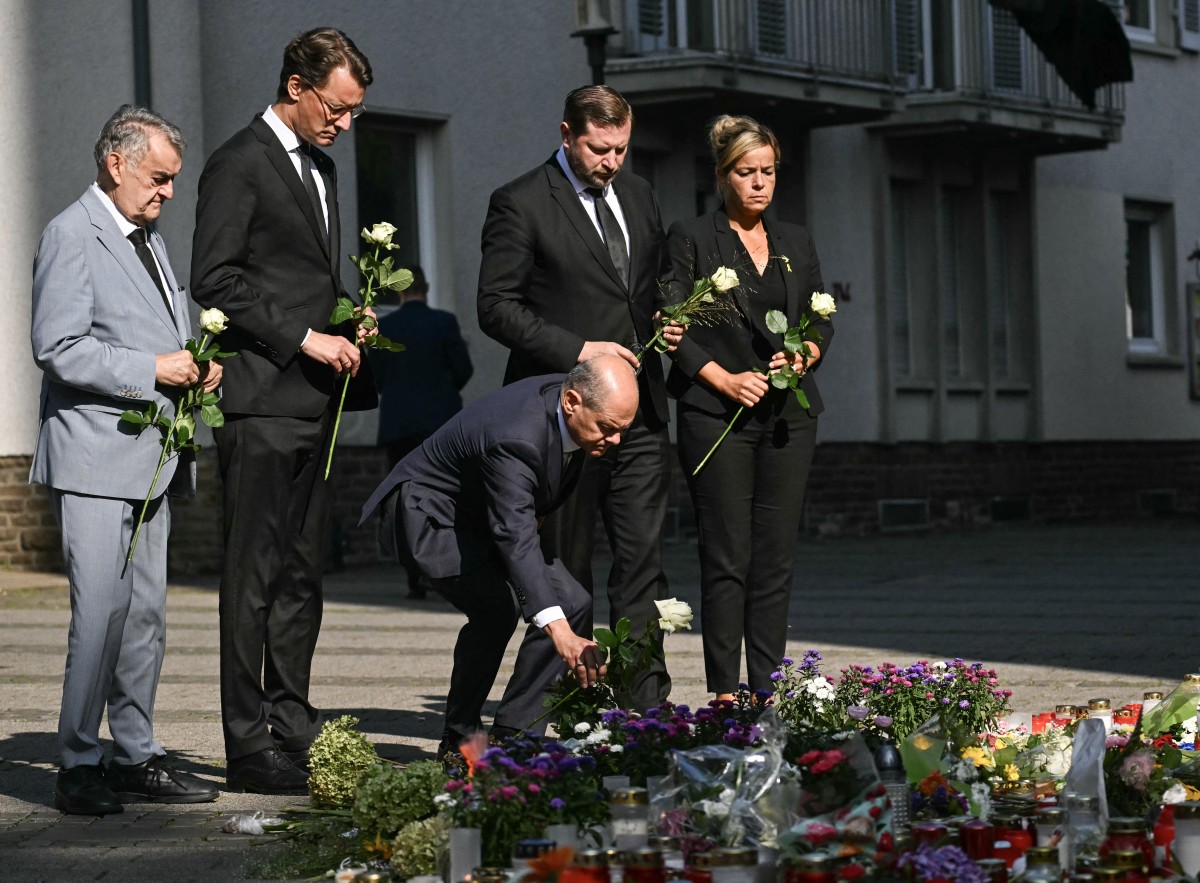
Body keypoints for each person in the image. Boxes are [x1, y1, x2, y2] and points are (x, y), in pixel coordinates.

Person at [190, 27, 375, 795]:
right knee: (253, 575)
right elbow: (215, 276)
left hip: (315, 402)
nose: (345, 123)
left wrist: (347, 318)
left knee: (303, 571)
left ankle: (291, 717)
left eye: (357, 111)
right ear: (296, 87)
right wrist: (305, 336)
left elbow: (301, 275)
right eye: (337, 107)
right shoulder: (238, 163)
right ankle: (246, 741)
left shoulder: (322, 169)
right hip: (262, 398)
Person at [30, 105, 221, 814]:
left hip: (153, 457)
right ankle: (78, 761)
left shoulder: (148, 238)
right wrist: (156, 367)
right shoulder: (69, 234)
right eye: (160, 177)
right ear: (117, 162)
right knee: (102, 613)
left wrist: (196, 364)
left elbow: (161, 330)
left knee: (145, 616)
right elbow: (57, 346)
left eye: (173, 179)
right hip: (92, 456)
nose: (169, 191)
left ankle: (135, 753)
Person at [476, 85, 679, 729]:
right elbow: (496, 307)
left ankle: (645, 706)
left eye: (621, 148)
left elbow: (648, 282)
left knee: (642, 562)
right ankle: (569, 706)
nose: (610, 161)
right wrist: (579, 347)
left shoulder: (641, 195)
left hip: (641, 413)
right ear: (567, 134)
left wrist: (665, 318)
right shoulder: (520, 202)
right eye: (598, 148)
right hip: (566, 417)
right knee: (567, 570)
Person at [360, 356, 635, 761]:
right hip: (430, 514)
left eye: (622, 431)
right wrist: (558, 633)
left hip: (484, 513)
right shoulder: (518, 436)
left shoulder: (578, 401)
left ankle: (515, 736)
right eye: (607, 429)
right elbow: (515, 536)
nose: (615, 442)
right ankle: (461, 739)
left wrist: (558, 617)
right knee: (498, 607)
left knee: (572, 602)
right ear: (572, 401)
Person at [664, 115, 834, 701]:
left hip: (788, 419)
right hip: (716, 415)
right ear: (721, 176)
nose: (759, 183)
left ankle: (768, 688)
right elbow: (672, 327)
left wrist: (806, 354)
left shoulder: (796, 242)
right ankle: (724, 691)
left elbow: (821, 318)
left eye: (768, 172)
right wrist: (722, 380)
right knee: (727, 554)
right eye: (746, 173)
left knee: (775, 558)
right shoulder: (691, 238)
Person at [370, 266, 473, 599]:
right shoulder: (443, 323)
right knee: (444, 495)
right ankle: (442, 568)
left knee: (403, 498)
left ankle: (413, 574)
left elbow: (376, 377)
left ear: (400, 292)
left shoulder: (387, 326)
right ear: (426, 290)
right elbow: (463, 369)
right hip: (440, 423)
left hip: (400, 424)